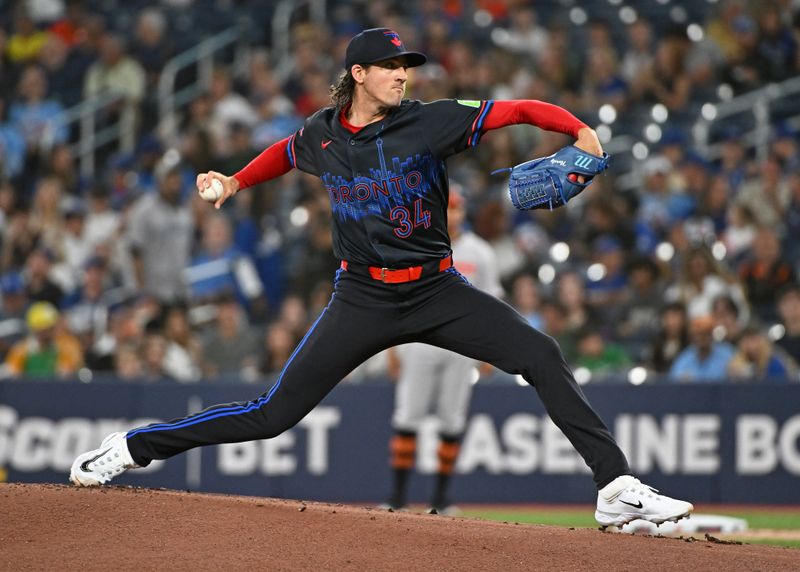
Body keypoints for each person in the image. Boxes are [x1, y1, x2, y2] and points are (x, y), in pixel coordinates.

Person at [69, 28, 692, 527]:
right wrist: (233, 181)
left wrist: (579, 130)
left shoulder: (430, 120)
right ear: (359, 76)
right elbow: (286, 152)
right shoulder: (322, 133)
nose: (403, 74)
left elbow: (518, 110)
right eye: (392, 67)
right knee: (272, 415)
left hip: (436, 289)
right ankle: (134, 448)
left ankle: (615, 487)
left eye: (407, 66)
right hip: (361, 295)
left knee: (541, 353)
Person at [384, 187, 502, 514]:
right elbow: (399, 299)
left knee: (452, 420)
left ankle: (440, 500)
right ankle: (397, 498)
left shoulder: (480, 253)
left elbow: (491, 303)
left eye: (457, 208)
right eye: (448, 208)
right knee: (408, 414)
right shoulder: (415, 244)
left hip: (462, 345)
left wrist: (490, 348)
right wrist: (392, 348)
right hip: (420, 341)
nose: (453, 215)